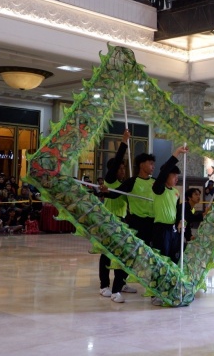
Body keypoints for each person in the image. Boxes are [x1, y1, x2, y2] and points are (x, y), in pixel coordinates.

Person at [98, 130, 137, 303]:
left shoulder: (123, 185)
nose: (122, 171)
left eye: (123, 168)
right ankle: (104, 285)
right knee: (107, 254)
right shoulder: (110, 180)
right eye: (120, 168)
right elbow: (114, 167)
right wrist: (124, 142)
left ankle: (121, 283)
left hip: (121, 221)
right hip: (108, 221)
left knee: (122, 254)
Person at [151, 145, 189, 265]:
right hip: (161, 229)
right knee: (162, 257)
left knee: (174, 255)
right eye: (174, 176)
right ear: (166, 176)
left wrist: (179, 221)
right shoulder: (159, 189)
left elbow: (178, 210)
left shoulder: (176, 192)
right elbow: (163, 173)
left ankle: (171, 281)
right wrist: (177, 153)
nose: (176, 179)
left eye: (177, 177)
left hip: (173, 229)